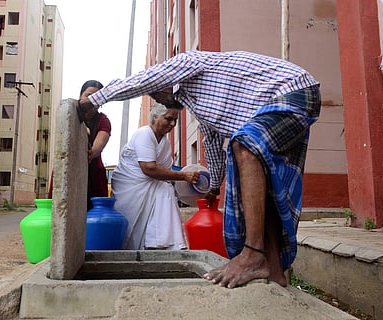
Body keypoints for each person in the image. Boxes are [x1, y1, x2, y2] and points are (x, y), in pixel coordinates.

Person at [77, 50, 321, 288]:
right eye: (165, 115)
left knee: (244, 145)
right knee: (264, 180)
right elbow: (212, 145)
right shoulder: (201, 107)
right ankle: (275, 270)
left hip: (292, 91)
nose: (161, 102)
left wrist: (96, 100)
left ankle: (253, 254)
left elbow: (144, 79)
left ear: (166, 83)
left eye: (158, 96)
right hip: (287, 100)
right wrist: (214, 186)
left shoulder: (187, 61)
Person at [111, 103, 200, 250]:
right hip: (131, 187)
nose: (172, 124)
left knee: (165, 189)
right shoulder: (144, 134)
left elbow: (166, 172)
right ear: (155, 117)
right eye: (168, 119)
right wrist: (183, 176)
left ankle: (159, 243)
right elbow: (149, 168)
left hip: (153, 186)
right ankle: (156, 244)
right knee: (163, 189)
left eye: (175, 120)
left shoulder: (164, 143)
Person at [49, 80, 111, 210]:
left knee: (94, 215)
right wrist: (82, 131)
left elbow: (97, 146)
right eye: (88, 96)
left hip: (93, 172)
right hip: (67, 167)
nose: (92, 101)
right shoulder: (69, 113)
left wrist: (91, 151)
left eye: (97, 97)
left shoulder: (103, 121)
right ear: (80, 96)